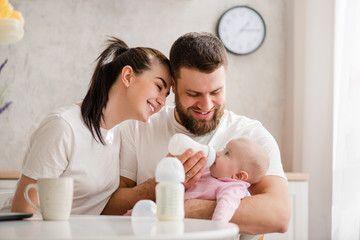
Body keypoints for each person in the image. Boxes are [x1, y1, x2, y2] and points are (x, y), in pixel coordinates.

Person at [102, 32, 291, 235]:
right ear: (173, 86)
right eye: (193, 94)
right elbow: (106, 208)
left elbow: (279, 216)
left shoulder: (250, 136)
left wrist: (192, 209)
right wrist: (156, 186)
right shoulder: (139, 126)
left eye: (216, 92)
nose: (206, 105)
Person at [10, 37, 172, 215]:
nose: (162, 102)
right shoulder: (63, 127)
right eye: (158, 87)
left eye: (167, 95)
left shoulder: (119, 133)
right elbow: (23, 209)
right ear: (128, 76)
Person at [184, 138, 269, 222]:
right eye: (223, 150)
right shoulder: (208, 173)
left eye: (227, 153)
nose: (217, 153)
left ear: (238, 176)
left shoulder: (233, 188)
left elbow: (226, 207)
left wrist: (217, 227)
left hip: (199, 231)